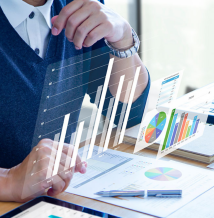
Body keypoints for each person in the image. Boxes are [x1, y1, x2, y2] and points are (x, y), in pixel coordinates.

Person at [0, 0, 150, 202]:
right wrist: (9, 180)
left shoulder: (78, 5)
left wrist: (122, 37)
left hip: (54, 200)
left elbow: (130, 113)